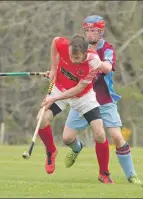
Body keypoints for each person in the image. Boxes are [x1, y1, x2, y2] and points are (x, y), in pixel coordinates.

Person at [63, 15, 143, 186]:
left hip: (104, 100)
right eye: (87, 30)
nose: (90, 34)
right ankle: (77, 147)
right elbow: (69, 67)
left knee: (115, 135)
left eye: (93, 30)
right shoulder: (80, 49)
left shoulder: (107, 49)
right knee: (67, 138)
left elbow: (107, 67)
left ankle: (131, 174)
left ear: (101, 31)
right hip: (83, 99)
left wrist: (94, 59)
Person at [38, 34, 114, 183]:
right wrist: (53, 70)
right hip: (59, 88)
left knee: (99, 133)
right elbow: (54, 41)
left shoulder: (93, 61)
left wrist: (53, 98)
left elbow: (79, 88)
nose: (73, 60)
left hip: (82, 96)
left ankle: (103, 173)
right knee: (41, 119)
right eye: (71, 56)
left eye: (77, 58)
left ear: (85, 53)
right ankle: (51, 151)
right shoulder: (64, 45)